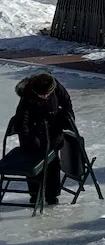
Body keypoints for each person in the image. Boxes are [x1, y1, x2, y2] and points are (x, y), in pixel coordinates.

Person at [10, 72, 75, 205]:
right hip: (34, 132)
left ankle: (52, 195)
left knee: (53, 163)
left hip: (53, 129)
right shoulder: (27, 95)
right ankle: (35, 195)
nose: (44, 96)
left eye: (47, 94)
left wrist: (68, 119)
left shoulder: (56, 87)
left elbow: (66, 102)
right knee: (34, 163)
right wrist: (31, 140)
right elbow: (22, 122)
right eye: (41, 95)